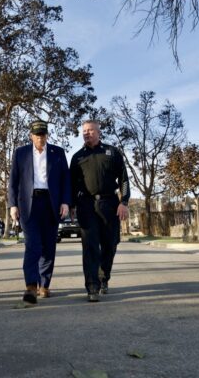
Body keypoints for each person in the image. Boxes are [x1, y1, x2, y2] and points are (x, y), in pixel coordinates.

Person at [9, 120, 71, 304]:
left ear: (47, 135)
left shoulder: (58, 153)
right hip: (28, 205)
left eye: (43, 134)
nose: (40, 138)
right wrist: (13, 205)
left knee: (48, 247)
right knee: (33, 245)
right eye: (37, 134)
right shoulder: (20, 153)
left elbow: (65, 180)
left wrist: (66, 202)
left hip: (51, 204)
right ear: (31, 136)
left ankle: (44, 284)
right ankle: (30, 287)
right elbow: (13, 181)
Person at [70, 120, 130, 302]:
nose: (86, 134)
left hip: (110, 204)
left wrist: (124, 202)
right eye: (84, 131)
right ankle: (92, 287)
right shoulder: (77, 157)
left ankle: (104, 276)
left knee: (110, 244)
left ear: (98, 132)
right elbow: (71, 184)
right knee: (89, 247)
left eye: (90, 130)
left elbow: (124, 180)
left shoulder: (112, 152)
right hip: (86, 205)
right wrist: (72, 205)